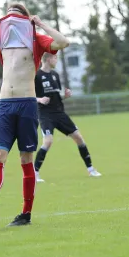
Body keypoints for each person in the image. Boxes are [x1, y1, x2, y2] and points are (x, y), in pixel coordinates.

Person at [0, 3, 69, 227]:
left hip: (27, 104)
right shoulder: (1, 40)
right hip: (4, 105)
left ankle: (26, 214)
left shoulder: (36, 40)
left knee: (25, 159)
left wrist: (40, 24)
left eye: (16, 14)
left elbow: (62, 42)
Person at [34, 53, 101, 182]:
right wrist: (40, 99)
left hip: (60, 113)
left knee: (78, 138)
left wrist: (65, 95)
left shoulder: (55, 75)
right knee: (48, 141)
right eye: (55, 58)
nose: (56, 60)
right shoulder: (37, 76)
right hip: (45, 114)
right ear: (48, 59)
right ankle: (35, 173)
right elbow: (29, 96)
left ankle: (91, 169)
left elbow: (57, 95)